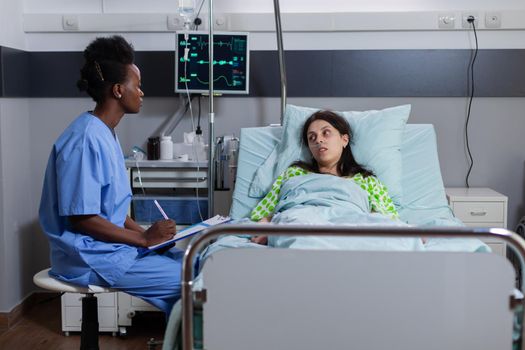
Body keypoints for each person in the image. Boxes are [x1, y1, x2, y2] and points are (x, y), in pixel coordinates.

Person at [39, 35, 182, 315]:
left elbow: (111, 209)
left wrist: (148, 236)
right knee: (192, 283)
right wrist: (143, 240)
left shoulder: (105, 133)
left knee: (190, 260)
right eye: (137, 86)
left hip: (110, 249)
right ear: (118, 90)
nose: (141, 93)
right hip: (88, 257)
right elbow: (83, 218)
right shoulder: (85, 140)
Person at [250, 110, 398, 245]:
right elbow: (267, 213)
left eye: (326, 133)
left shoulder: (366, 180)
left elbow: (385, 219)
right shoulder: (294, 173)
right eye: (312, 137)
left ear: (344, 140)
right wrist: (267, 228)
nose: (318, 140)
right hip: (300, 220)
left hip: (349, 223)